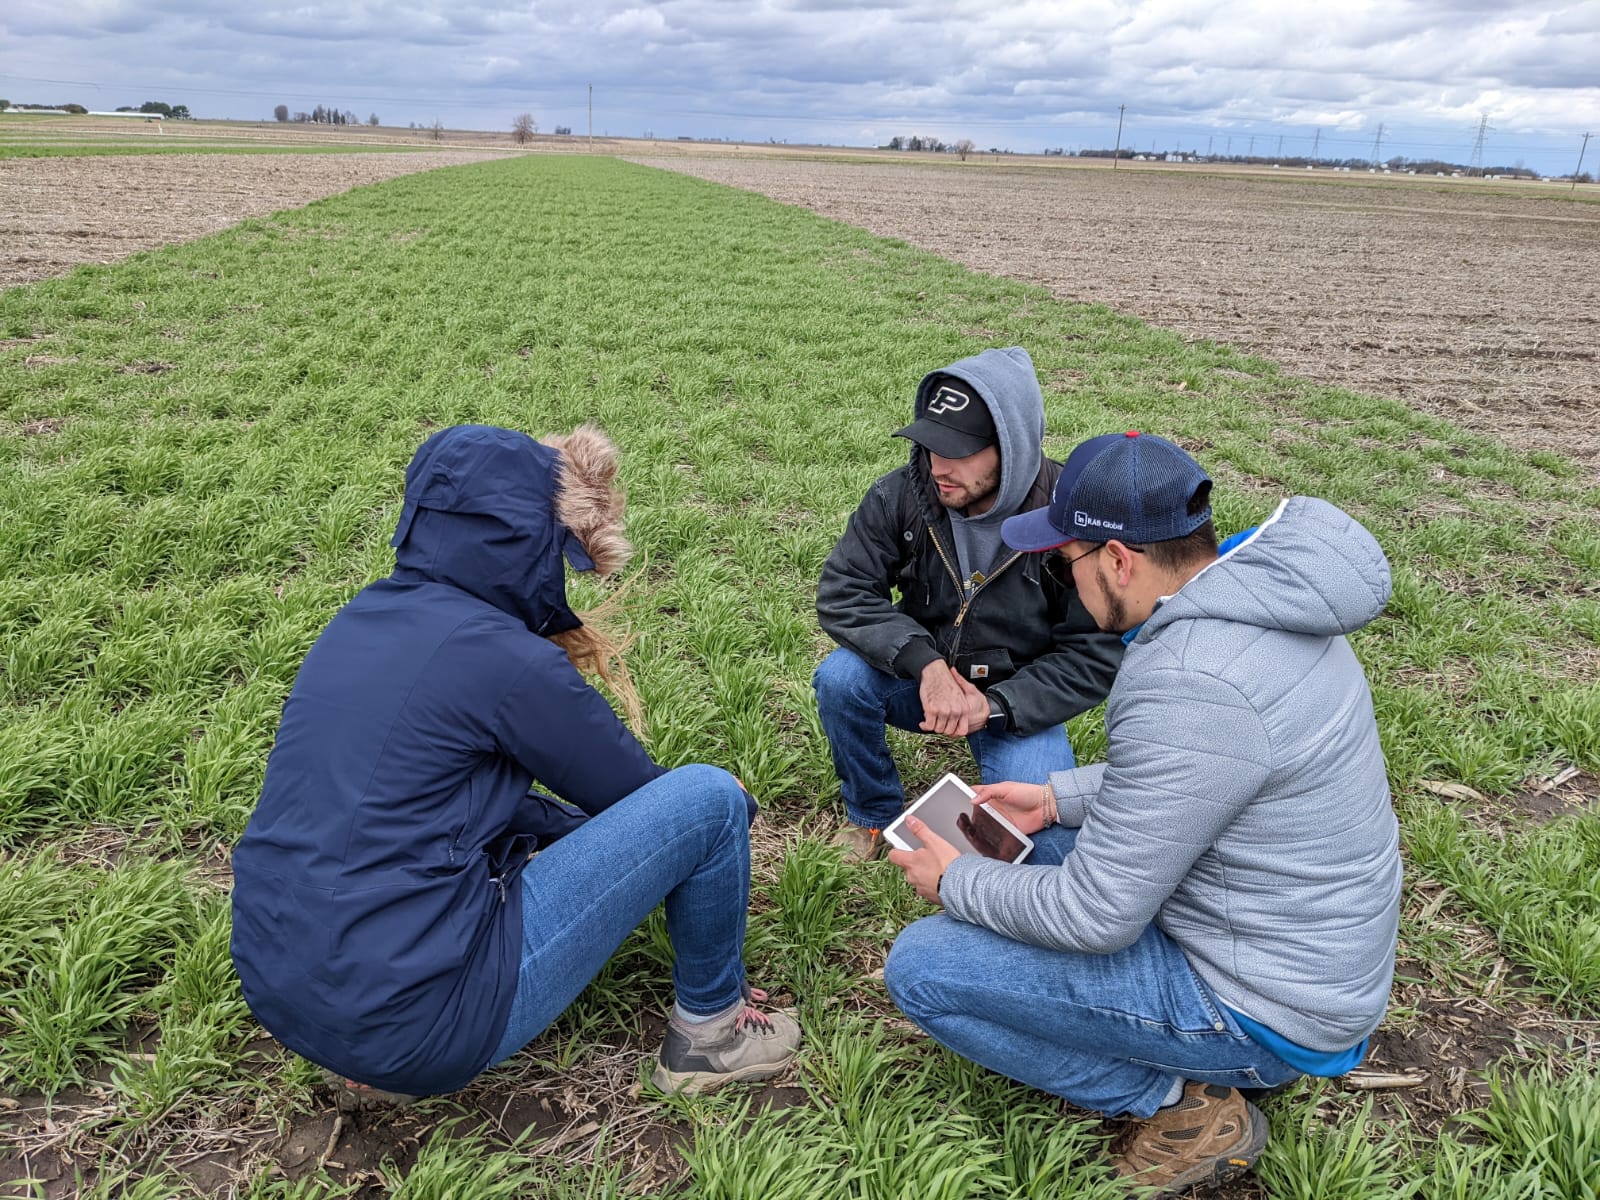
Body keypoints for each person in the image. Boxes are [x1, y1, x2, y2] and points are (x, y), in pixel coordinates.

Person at [882, 431, 1401, 1196]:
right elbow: (1214, 770)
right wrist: (1058, 799)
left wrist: (953, 881)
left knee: (925, 968)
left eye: (1068, 562)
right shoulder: (1265, 606)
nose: (1066, 579)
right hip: (1303, 955)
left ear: (1119, 559)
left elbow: (1098, 917)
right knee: (1041, 849)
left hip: (1266, 1012)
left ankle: (1180, 1104)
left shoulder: (1188, 675)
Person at [230, 424, 799, 1105]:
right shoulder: (507, 659)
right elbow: (645, 801)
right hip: (422, 1025)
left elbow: (448, 799)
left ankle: (364, 1050)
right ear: (529, 538)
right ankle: (713, 1034)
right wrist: (731, 805)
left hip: (286, 992)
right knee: (707, 796)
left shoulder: (360, 620)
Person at [814, 347, 1124, 860]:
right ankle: (871, 814)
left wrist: (998, 706)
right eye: (932, 447)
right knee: (841, 679)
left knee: (1050, 852)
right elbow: (844, 590)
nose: (939, 467)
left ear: (1013, 446)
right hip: (923, 678)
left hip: (1015, 698)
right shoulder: (903, 495)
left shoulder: (1069, 519)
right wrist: (925, 662)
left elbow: (1094, 654)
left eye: (960, 451)